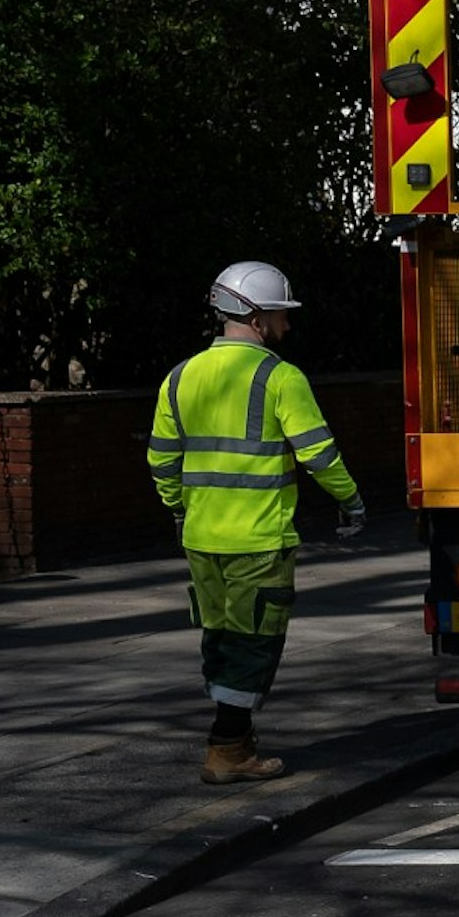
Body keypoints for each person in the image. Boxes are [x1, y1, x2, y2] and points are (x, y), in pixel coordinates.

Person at [148, 262, 364, 783]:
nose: (286, 327)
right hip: (258, 539)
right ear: (254, 316)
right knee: (254, 643)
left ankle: (235, 744)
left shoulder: (179, 378)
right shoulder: (280, 377)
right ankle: (227, 749)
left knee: (221, 640)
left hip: (201, 539)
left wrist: (181, 509)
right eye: (279, 316)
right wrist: (351, 500)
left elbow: (161, 461)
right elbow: (318, 455)